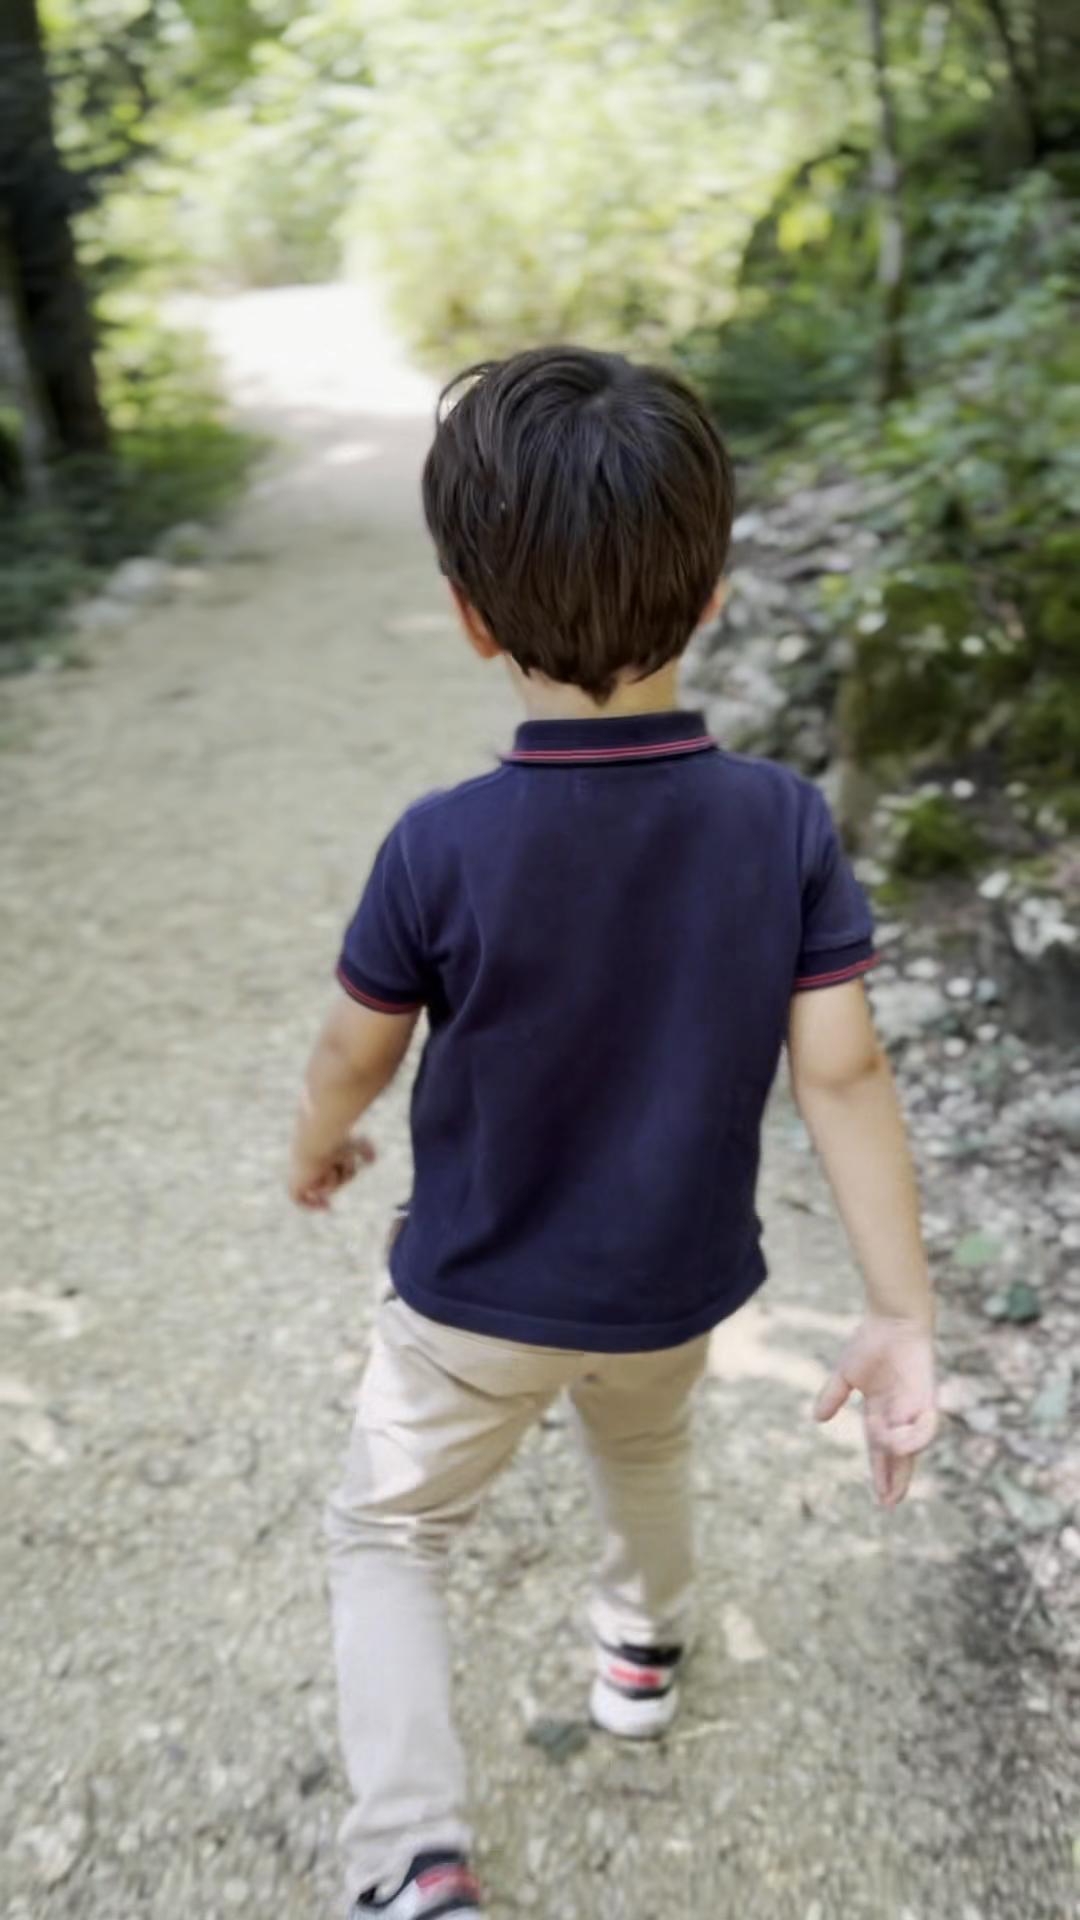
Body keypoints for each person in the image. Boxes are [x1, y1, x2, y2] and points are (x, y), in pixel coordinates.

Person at [288, 346, 937, 1920]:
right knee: (646, 1445)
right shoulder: (780, 821)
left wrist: (319, 1139)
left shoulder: (440, 844)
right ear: (712, 596)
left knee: (389, 1532)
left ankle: (410, 1858)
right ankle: (642, 1653)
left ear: (469, 616)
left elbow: (358, 1047)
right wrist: (900, 1310)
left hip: (471, 1299)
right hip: (671, 1288)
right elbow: (844, 1076)